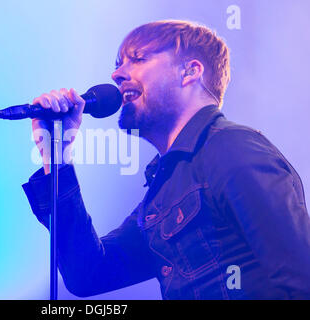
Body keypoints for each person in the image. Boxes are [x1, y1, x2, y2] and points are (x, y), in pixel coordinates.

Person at [22, 20, 310, 299]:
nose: (117, 75)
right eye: (117, 64)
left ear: (189, 71)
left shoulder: (231, 147)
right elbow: (88, 274)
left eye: (137, 58)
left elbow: (301, 276)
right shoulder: (163, 191)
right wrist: (56, 153)